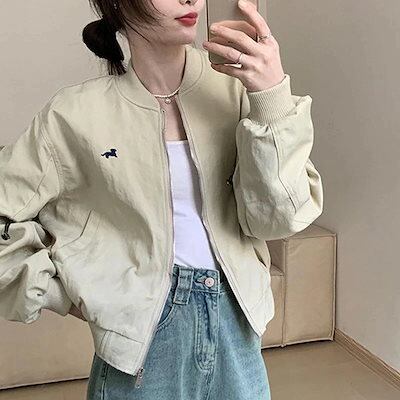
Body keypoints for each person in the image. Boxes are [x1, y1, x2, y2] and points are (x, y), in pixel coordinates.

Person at [0, 0, 324, 399]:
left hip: (237, 328)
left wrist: (271, 97)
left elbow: (278, 219)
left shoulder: (238, 90)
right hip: (141, 345)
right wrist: (63, 293)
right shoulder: (74, 114)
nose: (191, 0)